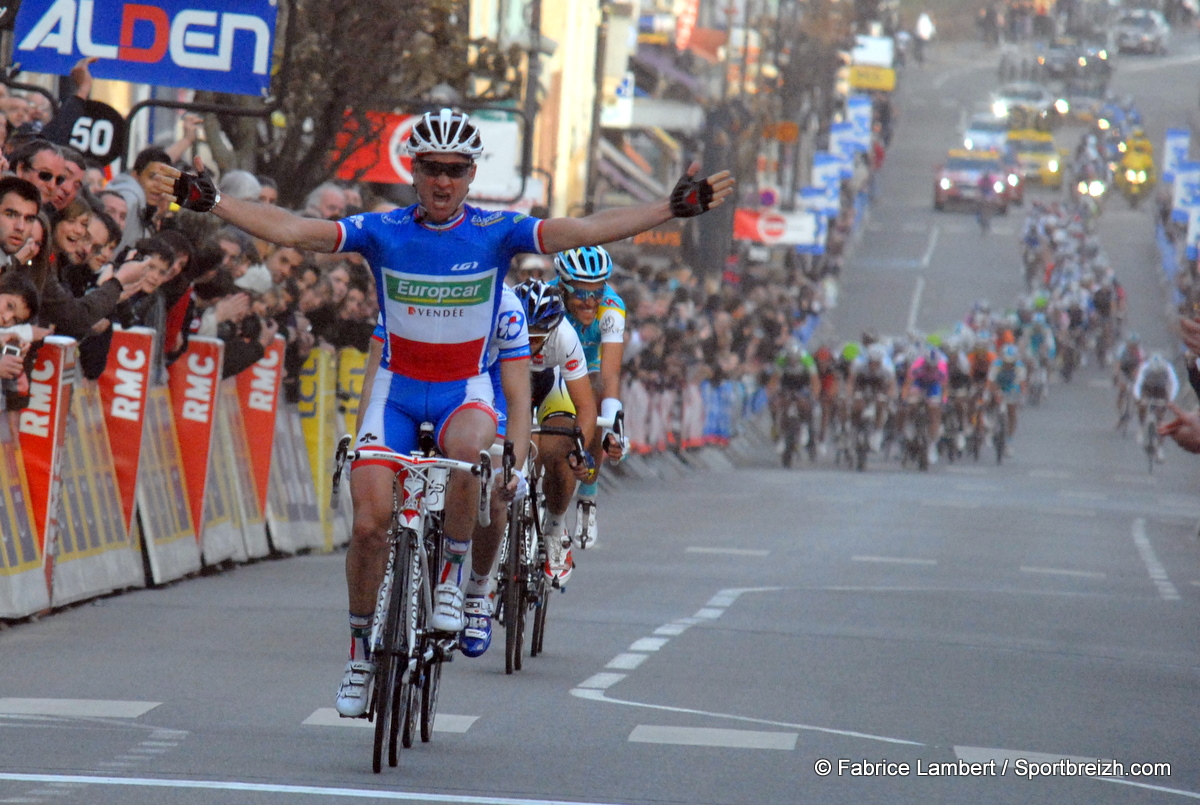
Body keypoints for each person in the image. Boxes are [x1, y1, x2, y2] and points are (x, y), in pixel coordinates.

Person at [145, 107, 734, 719]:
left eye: (455, 170)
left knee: (474, 454)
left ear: (471, 174)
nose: (443, 181)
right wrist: (209, 201)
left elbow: (583, 230)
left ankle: (454, 576)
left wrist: (670, 209)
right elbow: (294, 231)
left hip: (463, 390)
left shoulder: (496, 230)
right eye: (431, 168)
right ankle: (358, 654)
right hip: (397, 391)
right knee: (370, 525)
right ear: (414, 169)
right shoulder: (384, 229)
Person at [510, 278, 597, 587]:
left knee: (560, 449)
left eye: (538, 337)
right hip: (512, 381)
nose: (531, 343)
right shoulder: (499, 328)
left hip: (552, 386)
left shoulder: (564, 336)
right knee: (514, 449)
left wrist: (580, 450)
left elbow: (586, 408)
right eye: (526, 335)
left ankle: (556, 528)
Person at [550, 245, 628, 547]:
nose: (590, 302)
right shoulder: (547, 300)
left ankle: (588, 494)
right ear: (562, 287)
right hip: (552, 364)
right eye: (581, 294)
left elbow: (610, 373)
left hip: (591, 366)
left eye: (597, 292)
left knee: (595, 392)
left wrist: (613, 425)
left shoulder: (612, 307)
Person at [1133, 353, 1178, 460]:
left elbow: (1174, 384)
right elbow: (1138, 384)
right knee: (1142, 406)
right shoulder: (1145, 368)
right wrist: (1139, 399)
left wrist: (1170, 400)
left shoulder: (1168, 368)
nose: (1156, 374)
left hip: (1161, 390)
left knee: (1160, 420)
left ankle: (1159, 448)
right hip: (1147, 388)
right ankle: (1141, 426)